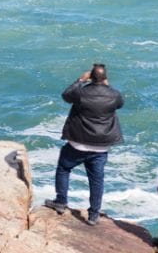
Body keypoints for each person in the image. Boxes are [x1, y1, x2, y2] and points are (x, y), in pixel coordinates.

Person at [43, 63, 124, 226]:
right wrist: (107, 85)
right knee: (97, 179)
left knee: (64, 168)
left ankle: (61, 202)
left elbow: (66, 95)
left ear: (91, 77)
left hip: (77, 143)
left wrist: (80, 80)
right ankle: (93, 215)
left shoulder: (81, 93)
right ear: (105, 78)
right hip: (101, 146)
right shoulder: (114, 95)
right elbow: (120, 103)